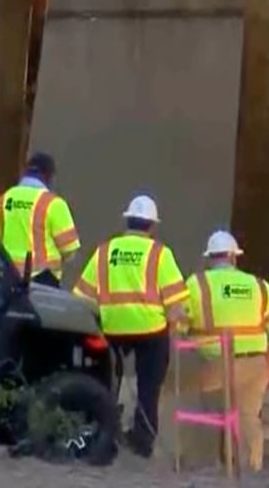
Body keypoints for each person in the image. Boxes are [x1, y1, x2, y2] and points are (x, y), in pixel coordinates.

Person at [73, 194, 188, 458]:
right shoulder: (160, 253)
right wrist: (178, 325)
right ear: (151, 226)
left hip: (112, 328)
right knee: (149, 386)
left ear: (128, 221)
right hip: (150, 330)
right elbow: (175, 303)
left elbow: (82, 297)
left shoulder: (104, 251)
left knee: (105, 382)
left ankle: (104, 432)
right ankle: (142, 440)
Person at [182, 230, 269, 472]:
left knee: (207, 414)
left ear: (209, 258)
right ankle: (248, 471)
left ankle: (206, 468)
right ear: (234, 257)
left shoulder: (197, 283)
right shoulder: (259, 286)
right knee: (248, 418)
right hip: (256, 365)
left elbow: (179, 326)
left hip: (216, 364)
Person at [0, 152, 82, 288]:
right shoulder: (54, 204)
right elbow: (69, 250)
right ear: (48, 176)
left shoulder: (4, 199)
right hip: (43, 280)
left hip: (8, 276)